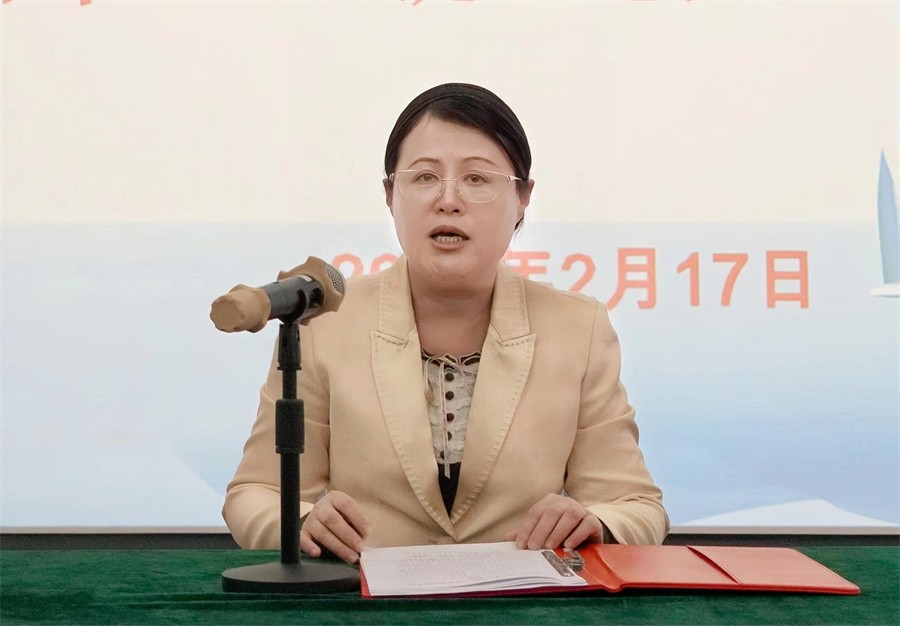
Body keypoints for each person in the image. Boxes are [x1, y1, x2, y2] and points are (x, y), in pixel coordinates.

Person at [223, 83, 668, 564]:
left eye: (477, 178)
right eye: (424, 177)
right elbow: (256, 493)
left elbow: (635, 506)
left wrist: (595, 522)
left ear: (522, 197)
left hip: (523, 600)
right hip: (363, 596)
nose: (448, 200)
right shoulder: (326, 324)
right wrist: (305, 521)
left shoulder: (578, 328)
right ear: (390, 195)